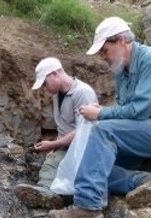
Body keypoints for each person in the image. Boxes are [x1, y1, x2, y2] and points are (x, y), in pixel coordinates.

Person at [48, 17, 151, 218]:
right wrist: (103, 112)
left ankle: (88, 206)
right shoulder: (123, 72)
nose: (103, 57)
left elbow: (141, 110)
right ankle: (143, 181)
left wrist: (101, 114)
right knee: (90, 164)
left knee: (101, 130)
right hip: (143, 133)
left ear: (120, 41)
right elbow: (125, 111)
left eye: (105, 50)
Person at [14, 57, 98, 209]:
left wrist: (54, 144)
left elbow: (84, 131)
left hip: (84, 149)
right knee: (51, 163)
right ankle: (47, 195)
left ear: (54, 74)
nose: (44, 89)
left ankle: (49, 195)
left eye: (45, 83)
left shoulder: (82, 93)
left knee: (57, 169)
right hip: (67, 147)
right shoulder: (57, 95)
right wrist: (55, 147)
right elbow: (64, 127)